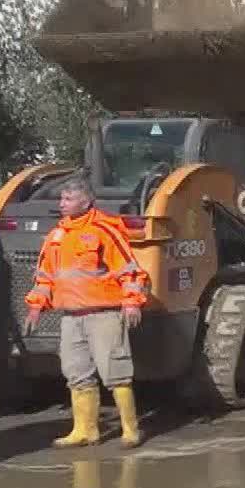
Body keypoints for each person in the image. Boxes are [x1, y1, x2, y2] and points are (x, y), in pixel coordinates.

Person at [25, 177, 151, 449]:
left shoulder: (105, 229)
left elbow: (129, 270)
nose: (62, 204)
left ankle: (131, 430)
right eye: (61, 199)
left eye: (68, 200)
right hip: (71, 317)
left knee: (116, 372)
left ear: (86, 201)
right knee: (76, 373)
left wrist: (131, 302)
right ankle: (84, 430)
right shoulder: (57, 235)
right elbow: (45, 276)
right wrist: (36, 306)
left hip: (104, 314)